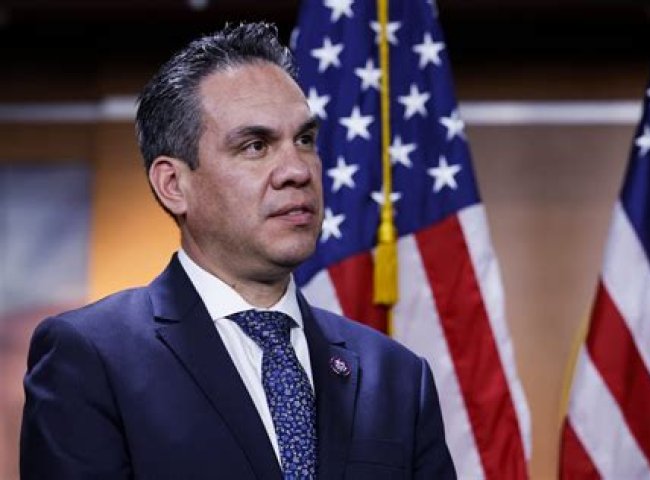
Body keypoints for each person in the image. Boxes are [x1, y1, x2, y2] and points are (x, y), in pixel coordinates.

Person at [20, 23, 456, 479]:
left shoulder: (398, 377)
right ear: (174, 185)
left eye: (305, 140)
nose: (297, 170)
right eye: (256, 146)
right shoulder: (90, 357)